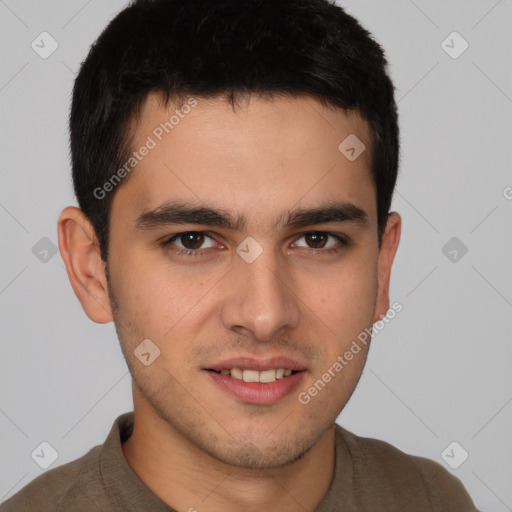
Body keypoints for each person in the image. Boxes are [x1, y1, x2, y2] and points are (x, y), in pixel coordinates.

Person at [1, 0, 479, 510]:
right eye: (193, 240)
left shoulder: (433, 500)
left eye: (317, 239)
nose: (265, 315)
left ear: (382, 268)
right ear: (92, 269)